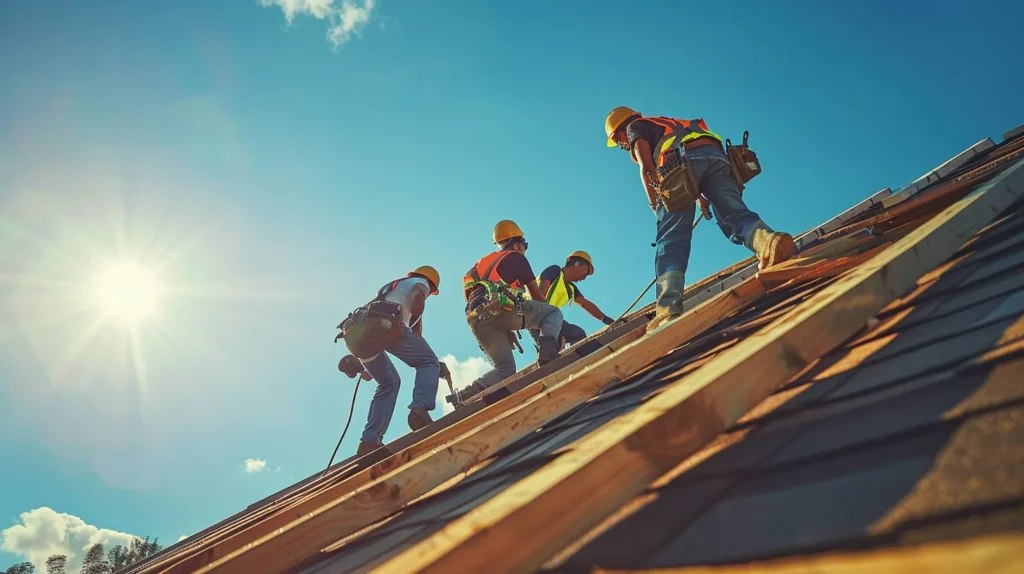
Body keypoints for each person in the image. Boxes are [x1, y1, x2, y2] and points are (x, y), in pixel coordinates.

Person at [604, 106, 796, 330]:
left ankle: (667, 309)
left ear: (619, 130)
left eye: (617, 141)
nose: (621, 145)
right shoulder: (668, 122)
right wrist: (699, 197)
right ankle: (769, 244)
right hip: (716, 158)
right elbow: (696, 157)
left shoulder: (634, 128)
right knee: (733, 215)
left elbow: (647, 168)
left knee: (671, 236)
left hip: (678, 165)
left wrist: (655, 202)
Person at [458, 220, 564, 402]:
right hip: (500, 311)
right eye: (525, 245)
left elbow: (480, 299)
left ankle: (466, 395)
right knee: (553, 313)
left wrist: (507, 328)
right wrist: (550, 335)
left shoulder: (478, 266)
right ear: (516, 244)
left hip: (475, 318)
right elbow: (537, 298)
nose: (525, 250)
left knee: (505, 369)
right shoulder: (516, 257)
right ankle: (547, 352)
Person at [353, 265, 443, 457]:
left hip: (359, 334)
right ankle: (419, 409)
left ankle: (369, 442)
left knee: (388, 383)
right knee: (429, 362)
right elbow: (418, 303)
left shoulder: (391, 289)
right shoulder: (421, 283)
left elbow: (413, 334)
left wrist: (365, 368)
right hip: (386, 326)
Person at [528, 250, 616, 349]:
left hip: (546, 319)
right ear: (577, 264)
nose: (584, 277)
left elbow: (585, 304)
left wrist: (605, 319)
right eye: (586, 272)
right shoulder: (555, 271)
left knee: (560, 346)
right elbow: (540, 295)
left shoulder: (571, 288)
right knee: (576, 334)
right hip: (536, 317)